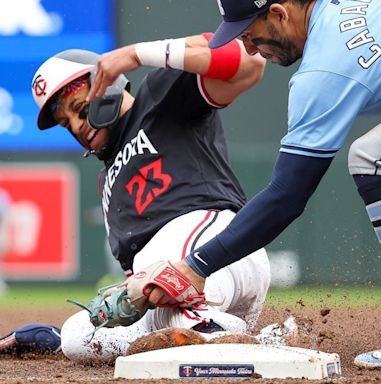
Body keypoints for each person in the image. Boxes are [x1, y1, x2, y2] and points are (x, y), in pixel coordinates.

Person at [89, 0, 381, 369]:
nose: (250, 47)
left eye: (250, 34)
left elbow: (286, 197)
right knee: (380, 153)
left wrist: (194, 267)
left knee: (376, 159)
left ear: (278, 12)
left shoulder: (325, 64)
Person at [31, 32, 270, 363]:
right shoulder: (107, 180)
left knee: (171, 303)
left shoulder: (159, 97)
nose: (76, 127)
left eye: (79, 108)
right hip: (173, 298)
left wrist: (136, 53)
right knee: (79, 336)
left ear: (108, 84)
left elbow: (250, 62)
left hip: (217, 253)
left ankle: (209, 329)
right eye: (65, 123)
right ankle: (235, 334)